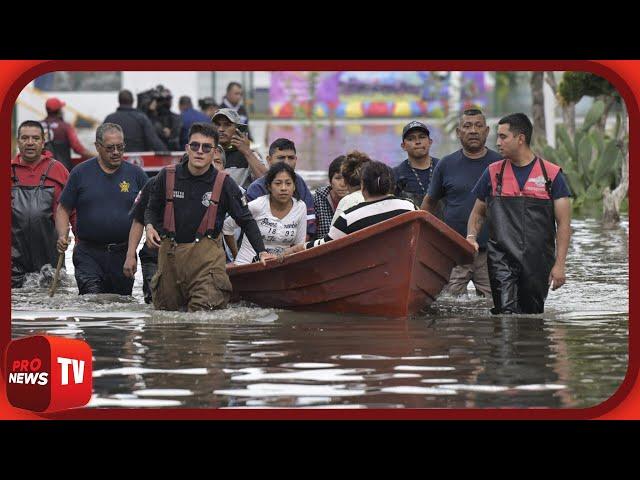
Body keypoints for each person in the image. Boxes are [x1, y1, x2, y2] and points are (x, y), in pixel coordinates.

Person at [144, 122, 276, 311]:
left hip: (206, 265)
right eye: (195, 146)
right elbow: (150, 209)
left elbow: (246, 221)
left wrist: (261, 251)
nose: (200, 151)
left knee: (205, 325)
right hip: (170, 261)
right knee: (167, 326)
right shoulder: (166, 175)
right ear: (187, 148)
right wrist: (149, 227)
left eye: (206, 147)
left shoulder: (225, 184)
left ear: (214, 152)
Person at [466, 113, 572, 314]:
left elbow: (564, 225)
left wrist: (560, 265)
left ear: (520, 138)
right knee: (505, 314)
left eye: (503, 137)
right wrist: (471, 237)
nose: (497, 143)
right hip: (501, 258)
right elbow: (478, 213)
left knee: (531, 316)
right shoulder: (492, 172)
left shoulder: (552, 175)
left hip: (538, 261)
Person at [55, 123, 149, 295]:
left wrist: (131, 254)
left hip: (123, 254)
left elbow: (150, 213)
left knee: (121, 307)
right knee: (92, 301)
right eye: (110, 148)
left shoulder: (136, 175)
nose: (116, 152)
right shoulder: (80, 173)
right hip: (88, 254)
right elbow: (63, 209)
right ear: (97, 147)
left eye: (120, 147)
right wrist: (62, 235)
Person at [421, 108, 502, 297]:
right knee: (448, 306)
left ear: (487, 131)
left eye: (478, 125)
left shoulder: (500, 164)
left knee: (494, 306)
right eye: (467, 126)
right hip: (454, 252)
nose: (473, 130)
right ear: (458, 132)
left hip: (491, 253)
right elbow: (429, 203)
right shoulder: (446, 165)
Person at [287, 161, 416, 253]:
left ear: (363, 187)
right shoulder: (409, 206)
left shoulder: (348, 217)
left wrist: (294, 249)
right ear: (389, 185)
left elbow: (323, 245)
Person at [11, 121, 73, 288]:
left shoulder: (58, 170)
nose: (30, 142)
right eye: (24, 138)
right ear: (18, 141)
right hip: (13, 260)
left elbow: (73, 212)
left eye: (35, 138)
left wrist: (81, 247)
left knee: (51, 306)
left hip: (49, 258)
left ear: (43, 141)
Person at [224, 162, 307, 264]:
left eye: (288, 183)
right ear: (269, 186)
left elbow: (299, 245)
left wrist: (282, 256)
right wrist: (235, 256)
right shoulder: (257, 205)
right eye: (278, 183)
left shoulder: (300, 207)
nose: (283, 188)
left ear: (294, 186)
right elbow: (227, 226)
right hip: (247, 265)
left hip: (279, 266)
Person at [245, 138, 316, 239]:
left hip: (295, 247)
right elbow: (249, 227)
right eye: (281, 158)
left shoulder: (300, 183)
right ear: (269, 160)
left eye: (291, 158)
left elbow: (309, 224)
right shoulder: (256, 188)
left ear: (296, 160)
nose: (286, 162)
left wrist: (296, 250)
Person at [213, 108, 267, 190]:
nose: (221, 129)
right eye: (217, 124)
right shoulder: (206, 150)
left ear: (238, 129)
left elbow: (267, 182)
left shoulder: (248, 153)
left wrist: (247, 152)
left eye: (227, 124)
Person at [41, 97, 95, 172]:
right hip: (61, 170)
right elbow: (78, 149)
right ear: (59, 111)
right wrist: (96, 157)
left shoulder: (38, 125)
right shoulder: (65, 127)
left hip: (41, 170)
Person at [393, 120, 439, 207]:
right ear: (403, 146)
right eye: (411, 139)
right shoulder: (395, 174)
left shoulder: (444, 168)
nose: (417, 142)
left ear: (430, 142)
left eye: (422, 137)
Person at [331, 150, 371, 224]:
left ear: (346, 180)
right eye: (338, 178)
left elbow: (333, 234)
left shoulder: (347, 201)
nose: (342, 184)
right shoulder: (377, 196)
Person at [313, 155, 348, 239]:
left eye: (346, 178)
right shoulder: (318, 199)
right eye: (338, 178)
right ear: (330, 180)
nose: (342, 184)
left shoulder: (357, 199)